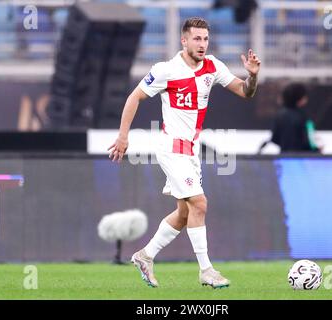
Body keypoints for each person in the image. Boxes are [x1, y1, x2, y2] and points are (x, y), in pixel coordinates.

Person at [108, 17, 260, 288]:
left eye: (205, 39)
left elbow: (245, 92)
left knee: (184, 214)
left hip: (190, 151)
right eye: (197, 39)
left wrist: (252, 76)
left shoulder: (213, 66)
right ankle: (206, 270)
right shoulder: (166, 70)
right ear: (184, 40)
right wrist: (123, 136)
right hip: (171, 148)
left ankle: (145, 255)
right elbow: (135, 97)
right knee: (200, 204)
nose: (202, 44)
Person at [270, 83, 321, 153]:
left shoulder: (279, 115)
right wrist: (317, 150)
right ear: (300, 99)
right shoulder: (304, 117)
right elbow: (309, 140)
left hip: (284, 157)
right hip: (302, 158)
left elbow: (274, 138)